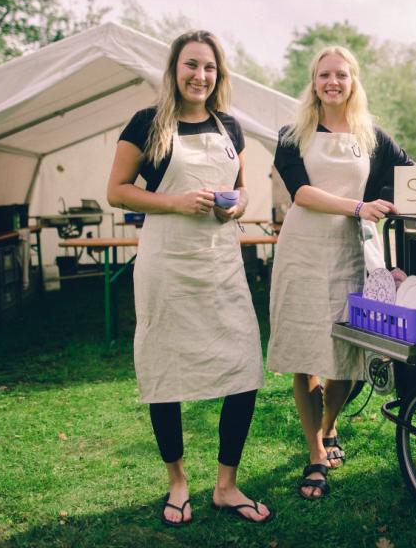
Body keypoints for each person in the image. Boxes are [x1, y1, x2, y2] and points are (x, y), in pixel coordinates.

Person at [106, 30, 272, 525]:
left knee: (243, 368)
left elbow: (243, 192)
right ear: (174, 70)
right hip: (167, 264)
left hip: (220, 262)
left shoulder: (231, 128)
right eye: (191, 65)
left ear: (219, 75)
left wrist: (234, 206)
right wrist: (177, 202)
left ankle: (226, 484)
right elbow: (116, 191)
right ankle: (177, 481)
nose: (200, 76)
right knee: (165, 371)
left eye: (209, 68)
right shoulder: (146, 123)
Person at [266, 46, 413, 499]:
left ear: (353, 82)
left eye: (342, 75)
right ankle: (314, 452)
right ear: (313, 82)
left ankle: (329, 426)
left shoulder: (372, 136)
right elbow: (302, 192)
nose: (333, 82)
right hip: (304, 254)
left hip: (354, 254)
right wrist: (357, 206)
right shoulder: (293, 134)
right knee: (306, 352)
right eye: (324, 75)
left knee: (347, 353)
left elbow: (409, 179)